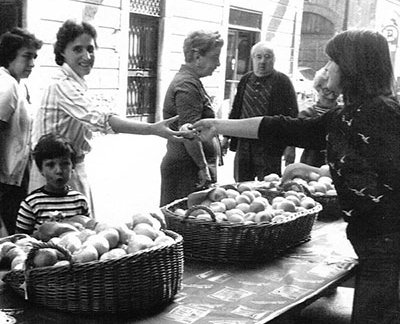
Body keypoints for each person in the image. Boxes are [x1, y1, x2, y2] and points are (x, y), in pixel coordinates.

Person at [193, 29, 400, 324]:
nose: (326, 68)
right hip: (372, 248)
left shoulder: (383, 113)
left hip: (389, 253)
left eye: (332, 60)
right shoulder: (345, 116)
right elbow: (282, 128)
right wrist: (217, 125)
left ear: (352, 67)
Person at [30, 19, 185, 214]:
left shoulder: (76, 84)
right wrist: (152, 129)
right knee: (58, 236)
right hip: (53, 173)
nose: (87, 56)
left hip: (70, 168)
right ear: (62, 52)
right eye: (77, 49)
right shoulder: (63, 85)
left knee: (80, 234)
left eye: (91, 49)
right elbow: (100, 119)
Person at [159, 30, 224, 206]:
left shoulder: (191, 81)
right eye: (215, 56)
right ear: (197, 56)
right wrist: (203, 168)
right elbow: (188, 132)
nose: (218, 63)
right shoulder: (187, 85)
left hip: (189, 168)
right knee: (188, 223)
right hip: (187, 171)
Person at [222, 41, 298, 182]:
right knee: (241, 184)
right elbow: (236, 109)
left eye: (267, 57)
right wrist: (226, 137)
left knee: (269, 183)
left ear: (274, 59)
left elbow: (292, 115)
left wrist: (291, 145)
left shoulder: (282, 81)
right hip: (244, 144)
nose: (262, 61)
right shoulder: (246, 79)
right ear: (253, 59)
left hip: (269, 146)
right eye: (258, 57)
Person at [0, 27, 43, 235]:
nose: (32, 63)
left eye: (34, 57)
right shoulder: (6, 87)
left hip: (16, 176)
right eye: (27, 57)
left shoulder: (19, 85)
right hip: (5, 181)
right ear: (10, 55)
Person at [16, 133, 90, 235]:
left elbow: (87, 233)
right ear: (41, 170)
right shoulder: (32, 203)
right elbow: (21, 239)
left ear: (73, 167)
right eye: (50, 165)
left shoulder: (80, 201)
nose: (59, 170)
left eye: (64, 164)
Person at [298, 66, 340, 167]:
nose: (331, 96)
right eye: (326, 90)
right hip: (311, 163)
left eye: (335, 92)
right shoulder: (306, 114)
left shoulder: (342, 113)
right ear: (318, 88)